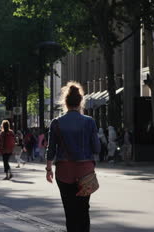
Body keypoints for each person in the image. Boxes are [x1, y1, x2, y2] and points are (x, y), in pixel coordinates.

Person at [45, 81, 100, 232]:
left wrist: (49, 169)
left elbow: (51, 149)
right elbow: (97, 148)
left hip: (64, 172)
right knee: (83, 210)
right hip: (85, 172)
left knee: (70, 212)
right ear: (81, 101)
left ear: (65, 102)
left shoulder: (56, 123)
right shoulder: (90, 122)